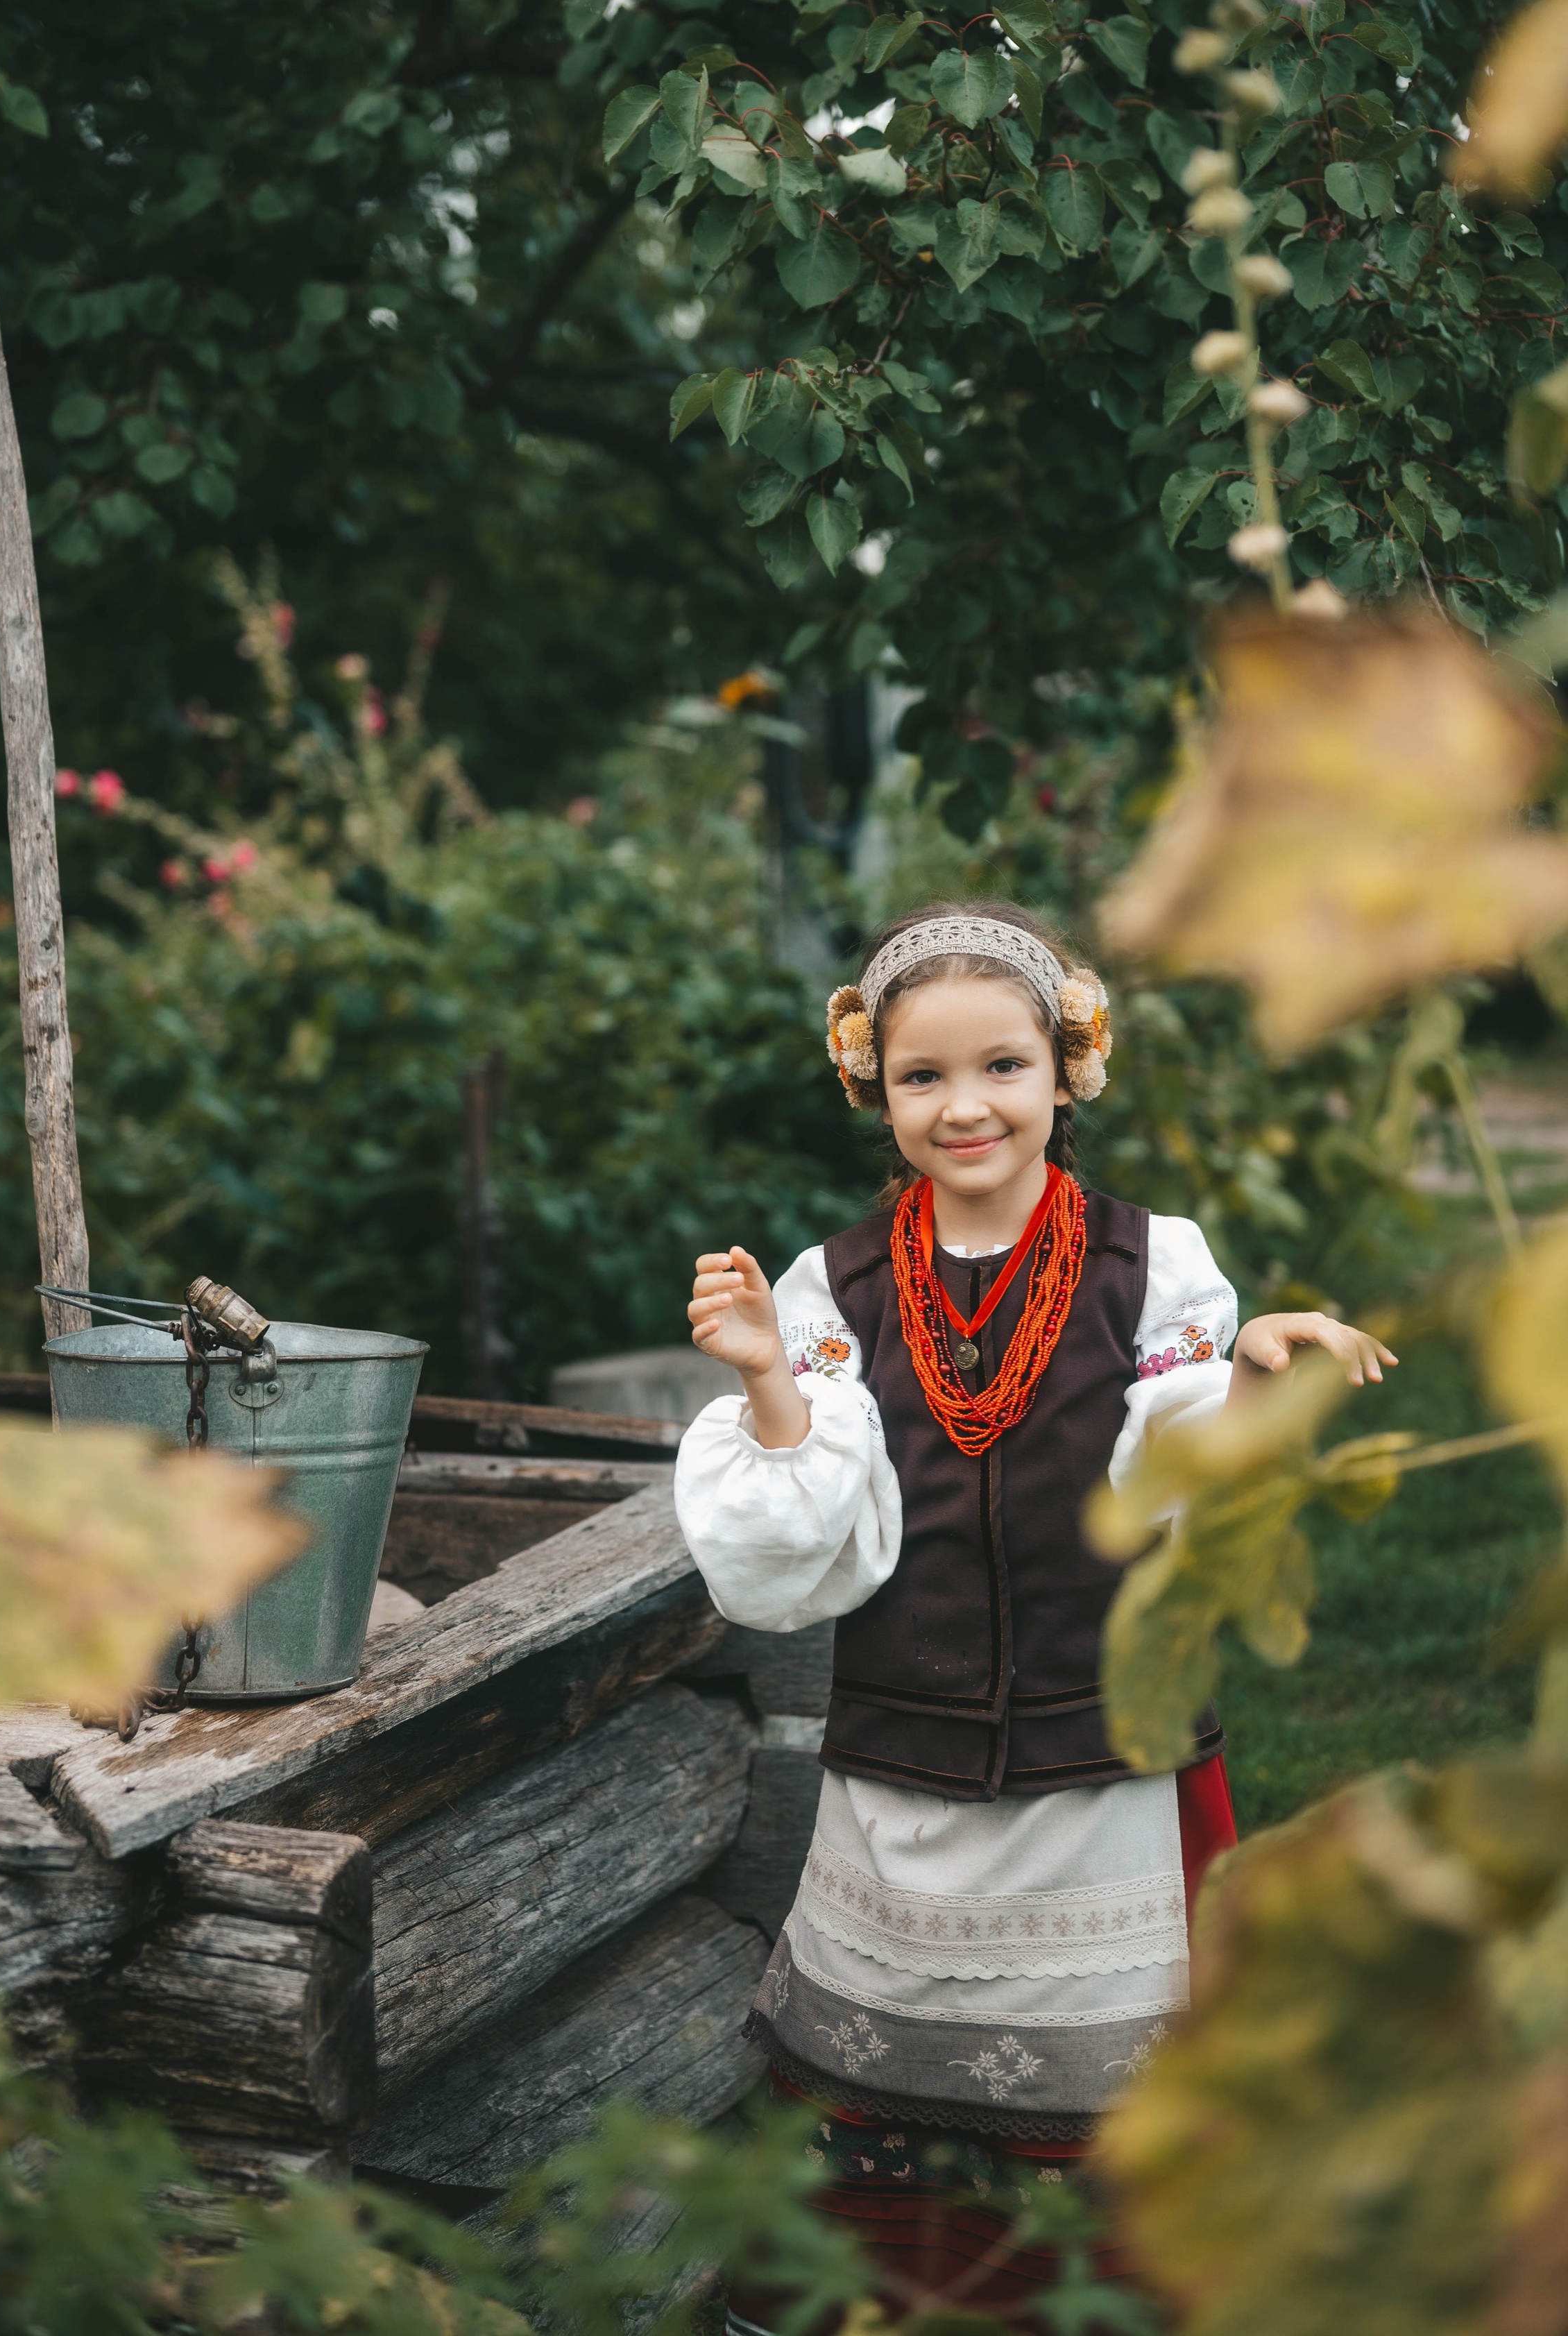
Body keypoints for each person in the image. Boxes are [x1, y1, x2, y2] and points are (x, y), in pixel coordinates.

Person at [674, 900, 1394, 2327]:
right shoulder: (835, 1287)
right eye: (920, 1076)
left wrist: (1245, 1377)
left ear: (1066, 1068)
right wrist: (765, 1377)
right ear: (870, 1089)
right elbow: (808, 1538)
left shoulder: (1150, 1264)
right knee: (888, 2088)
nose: (964, 1106)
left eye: (1001, 1066)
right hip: (909, 1762)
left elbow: (1168, 1472)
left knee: (1098, 2100)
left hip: (1096, 1757)